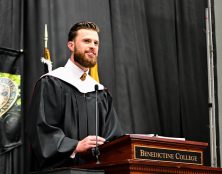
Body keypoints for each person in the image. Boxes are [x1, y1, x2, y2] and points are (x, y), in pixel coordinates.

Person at [27, 21, 124, 171]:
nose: (93, 46)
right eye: (86, 41)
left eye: (96, 43)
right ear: (71, 45)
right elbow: (41, 130)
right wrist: (75, 146)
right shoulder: (52, 82)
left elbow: (113, 136)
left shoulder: (99, 91)